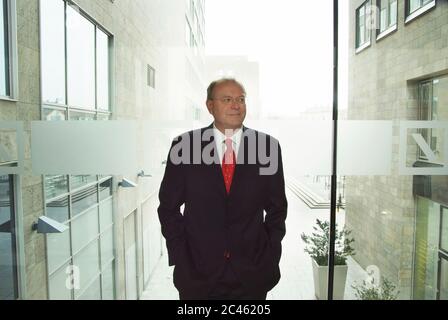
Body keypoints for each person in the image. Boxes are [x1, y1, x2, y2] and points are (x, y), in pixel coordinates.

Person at [157, 78, 287, 300]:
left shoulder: (267, 147)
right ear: (210, 106)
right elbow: (168, 208)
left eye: (241, 99)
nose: (235, 105)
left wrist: (270, 253)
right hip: (197, 275)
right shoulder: (184, 146)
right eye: (227, 99)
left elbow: (277, 209)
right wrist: (180, 254)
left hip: (252, 274)